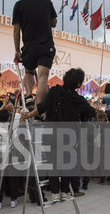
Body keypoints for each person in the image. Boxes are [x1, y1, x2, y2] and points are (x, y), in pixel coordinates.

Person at [23, 68, 96, 202]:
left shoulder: (54, 92)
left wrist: (28, 115)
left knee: (53, 164)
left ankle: (55, 192)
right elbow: (91, 112)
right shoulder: (78, 99)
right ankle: (65, 191)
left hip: (50, 133)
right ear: (78, 83)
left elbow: (41, 108)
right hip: (69, 137)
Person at [13, 0, 57, 107]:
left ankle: (28, 96)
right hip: (46, 45)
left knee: (29, 73)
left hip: (29, 46)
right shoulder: (47, 2)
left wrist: (17, 50)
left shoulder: (19, 5)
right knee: (43, 77)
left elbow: (16, 30)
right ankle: (39, 110)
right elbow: (54, 23)